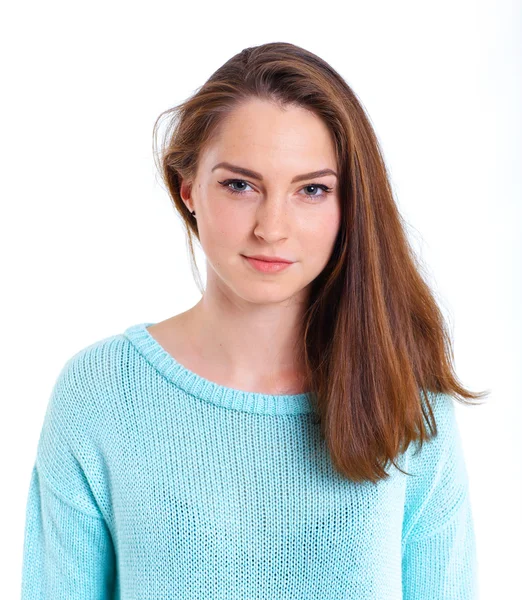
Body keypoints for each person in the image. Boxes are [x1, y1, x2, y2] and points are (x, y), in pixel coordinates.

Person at [20, 42, 489, 599]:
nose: (272, 226)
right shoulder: (100, 394)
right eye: (240, 185)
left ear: (350, 205)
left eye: (311, 190)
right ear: (187, 188)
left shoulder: (407, 400)